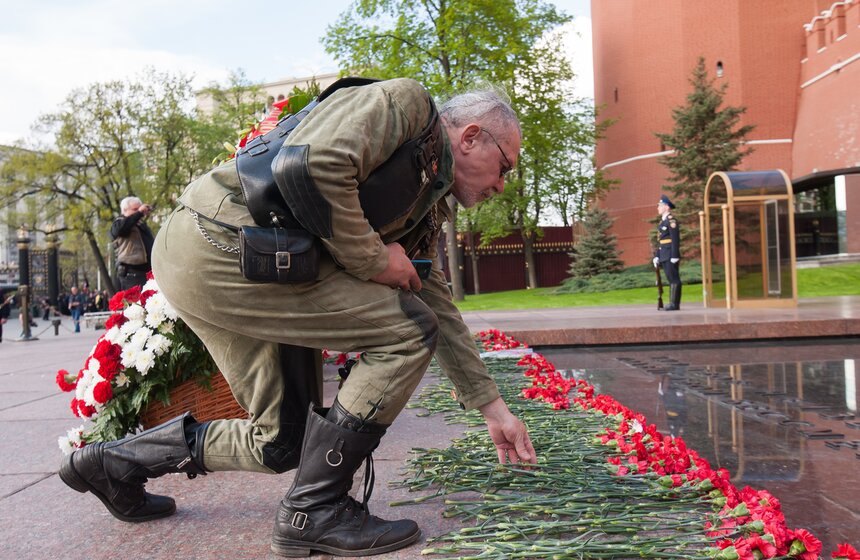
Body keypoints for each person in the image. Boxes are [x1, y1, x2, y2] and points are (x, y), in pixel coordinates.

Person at [59, 78, 535, 557]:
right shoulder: (406, 107)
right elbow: (314, 165)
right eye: (504, 167)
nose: (501, 184)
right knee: (407, 333)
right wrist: (374, 259)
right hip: (224, 248)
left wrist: (492, 407)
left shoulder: (427, 201)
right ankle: (315, 511)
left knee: (283, 441)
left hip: (237, 260)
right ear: (471, 137)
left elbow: (432, 297)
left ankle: (114, 464)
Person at [111, 196, 154, 290]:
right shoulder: (119, 222)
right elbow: (121, 230)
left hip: (146, 271)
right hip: (131, 274)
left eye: (140, 209)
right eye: (135, 209)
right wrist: (139, 213)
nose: (139, 212)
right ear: (125, 210)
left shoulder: (140, 224)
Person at [653, 194, 682, 311]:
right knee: (670, 279)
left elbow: (675, 239)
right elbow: (661, 242)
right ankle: (672, 303)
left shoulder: (671, 221)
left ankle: (674, 304)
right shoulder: (662, 223)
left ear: (666, 207)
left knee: (674, 279)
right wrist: (657, 256)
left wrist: (675, 255)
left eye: (659, 206)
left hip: (670, 255)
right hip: (664, 255)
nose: (658, 208)